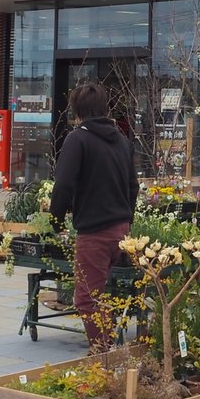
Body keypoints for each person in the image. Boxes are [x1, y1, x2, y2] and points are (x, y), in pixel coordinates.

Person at [49, 81, 138, 353]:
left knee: (88, 298)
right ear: (104, 108)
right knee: (105, 294)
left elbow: (63, 184)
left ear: (77, 111)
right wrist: (127, 218)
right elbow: (133, 185)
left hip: (94, 233)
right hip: (121, 231)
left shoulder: (78, 138)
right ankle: (105, 350)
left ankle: (102, 357)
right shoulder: (121, 140)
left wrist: (55, 220)